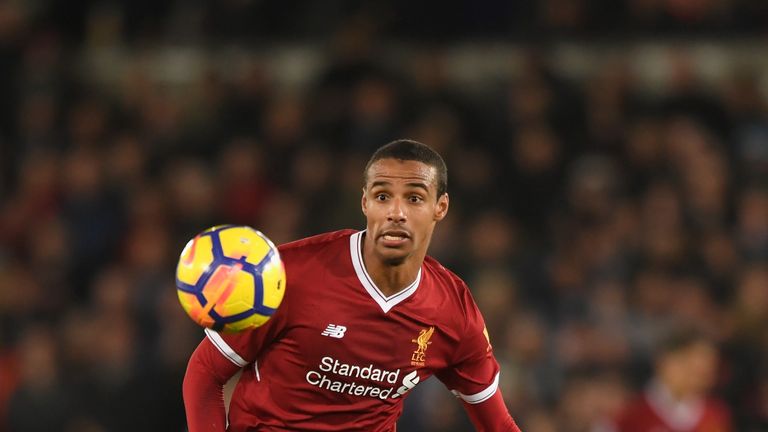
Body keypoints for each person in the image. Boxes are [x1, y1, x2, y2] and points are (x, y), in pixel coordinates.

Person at [183, 139, 520, 431]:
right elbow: (205, 373)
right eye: (383, 196)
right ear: (365, 203)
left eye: (415, 198)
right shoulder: (288, 275)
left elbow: (497, 423)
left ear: (440, 207)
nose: (396, 212)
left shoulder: (453, 311)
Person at [612, 329, 732, 432]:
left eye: (708, 369)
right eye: (690, 365)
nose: (701, 375)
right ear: (665, 361)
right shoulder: (627, 412)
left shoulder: (715, 415)